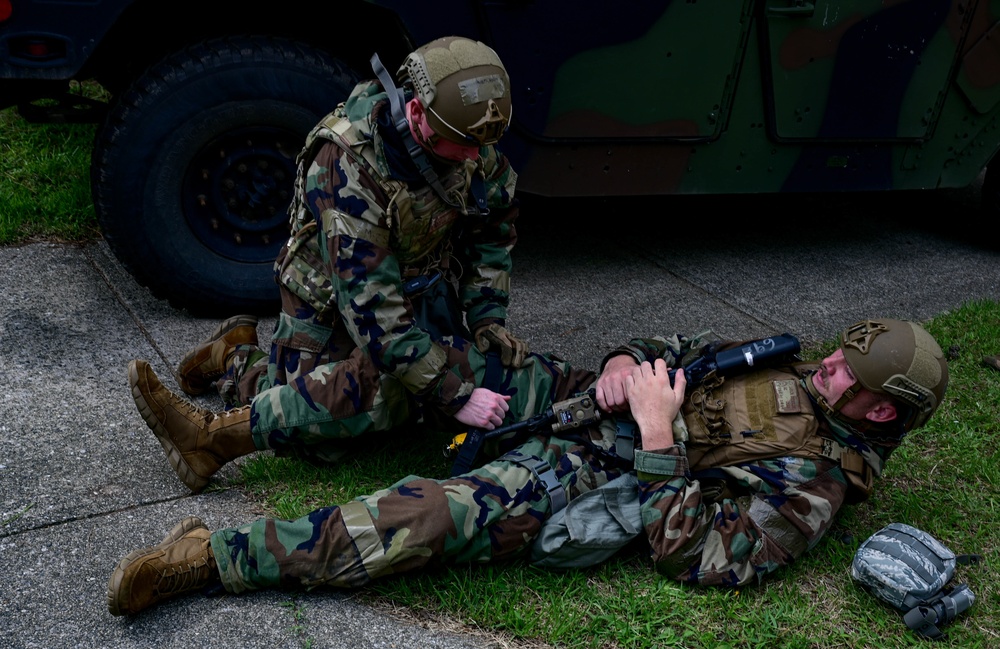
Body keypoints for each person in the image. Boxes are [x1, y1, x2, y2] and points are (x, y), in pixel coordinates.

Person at [108, 318, 949, 616]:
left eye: (846, 374)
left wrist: (657, 438)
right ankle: (232, 406)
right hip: (591, 398)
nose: (827, 368)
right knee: (439, 368)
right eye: (837, 355)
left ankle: (208, 558)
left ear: (880, 410)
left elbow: (707, 559)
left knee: (423, 517)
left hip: (598, 468)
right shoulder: (791, 364)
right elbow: (680, 349)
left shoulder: (815, 487)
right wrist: (628, 361)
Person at [129, 35, 529, 494]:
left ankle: (252, 362)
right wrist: (452, 391)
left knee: (403, 402)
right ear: (416, 113)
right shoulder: (348, 164)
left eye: (482, 146)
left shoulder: (470, 136)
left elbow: (493, 229)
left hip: (419, 284)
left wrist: (486, 316)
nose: (475, 159)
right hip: (331, 299)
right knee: (318, 439)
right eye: (459, 146)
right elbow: (370, 306)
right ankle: (237, 357)